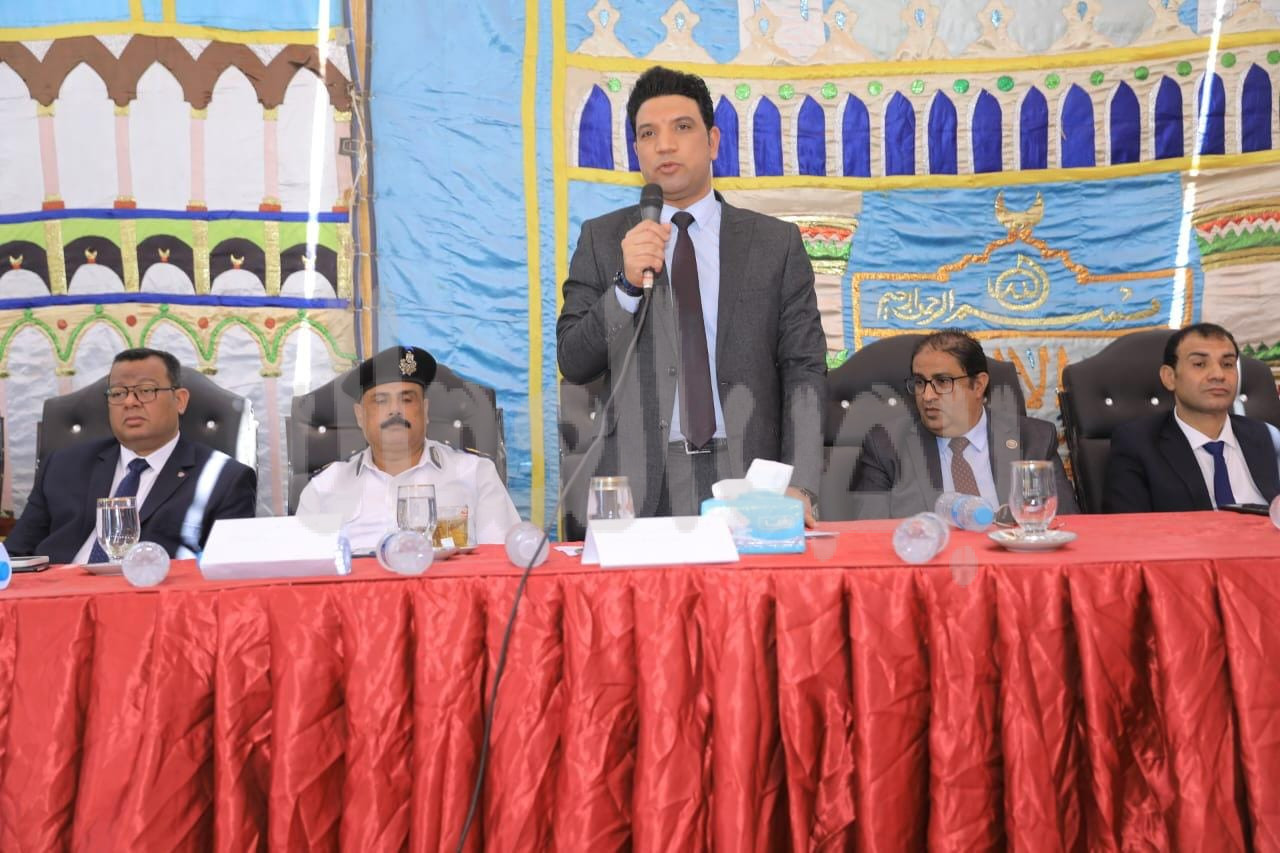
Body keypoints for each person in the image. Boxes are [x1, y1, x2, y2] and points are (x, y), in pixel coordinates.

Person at [556, 66, 827, 523]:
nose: (665, 144)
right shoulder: (603, 240)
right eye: (648, 133)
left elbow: (805, 367)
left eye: (682, 127)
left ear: (713, 141)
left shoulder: (774, 244)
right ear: (637, 151)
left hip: (750, 475)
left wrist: (800, 483)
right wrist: (624, 286)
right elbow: (574, 361)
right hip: (641, 482)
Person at [7, 347, 257, 562]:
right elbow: (15, 555)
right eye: (118, 393)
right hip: (59, 593)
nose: (129, 402)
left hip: (156, 597)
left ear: (180, 400)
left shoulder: (225, 480)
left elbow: (228, 573)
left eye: (146, 390)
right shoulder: (62, 467)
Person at [295, 345, 521, 549]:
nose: (395, 410)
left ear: (425, 410)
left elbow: (499, 562)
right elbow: (302, 572)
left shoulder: (476, 474)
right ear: (360, 416)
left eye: (407, 399)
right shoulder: (323, 489)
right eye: (381, 401)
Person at [849, 329, 1078, 518]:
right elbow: (869, 535)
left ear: (978, 385)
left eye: (942, 381)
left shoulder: (1034, 440)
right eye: (919, 383)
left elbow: (1068, 524)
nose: (927, 396)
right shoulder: (886, 445)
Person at [1103, 323, 1280, 513]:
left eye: (1227, 364)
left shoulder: (1268, 436)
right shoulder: (1137, 444)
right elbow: (1126, 526)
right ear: (1170, 377)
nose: (1218, 375)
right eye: (1199, 364)